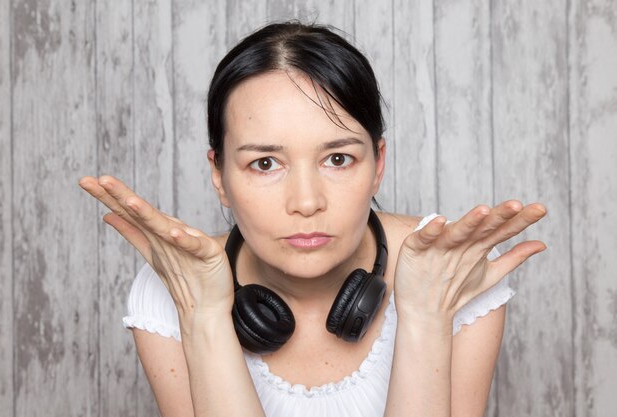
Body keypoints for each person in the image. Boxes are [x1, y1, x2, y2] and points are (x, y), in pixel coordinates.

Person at [79, 21, 547, 417]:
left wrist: (425, 316)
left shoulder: (453, 266)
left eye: (338, 159)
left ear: (378, 164)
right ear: (219, 174)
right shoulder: (170, 287)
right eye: (265, 163)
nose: (306, 202)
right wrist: (204, 318)